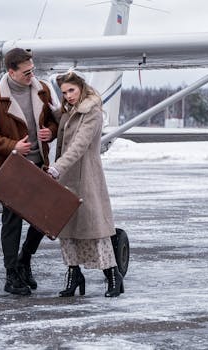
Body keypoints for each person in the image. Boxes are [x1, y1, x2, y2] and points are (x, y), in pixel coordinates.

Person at [0, 48, 59, 295]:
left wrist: (50, 132)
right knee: (12, 222)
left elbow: (54, 120)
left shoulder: (42, 89)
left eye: (33, 70)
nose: (31, 75)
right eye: (26, 72)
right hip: (11, 169)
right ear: (11, 72)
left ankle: (25, 260)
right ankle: (12, 274)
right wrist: (14, 146)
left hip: (39, 165)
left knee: (46, 218)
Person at [47, 71, 124, 298]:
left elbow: (79, 145)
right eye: (64, 93)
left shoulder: (92, 113)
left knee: (95, 230)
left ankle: (113, 275)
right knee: (67, 231)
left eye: (72, 90)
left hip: (85, 177)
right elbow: (62, 121)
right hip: (65, 178)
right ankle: (74, 274)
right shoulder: (68, 112)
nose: (68, 96)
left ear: (81, 87)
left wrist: (57, 167)